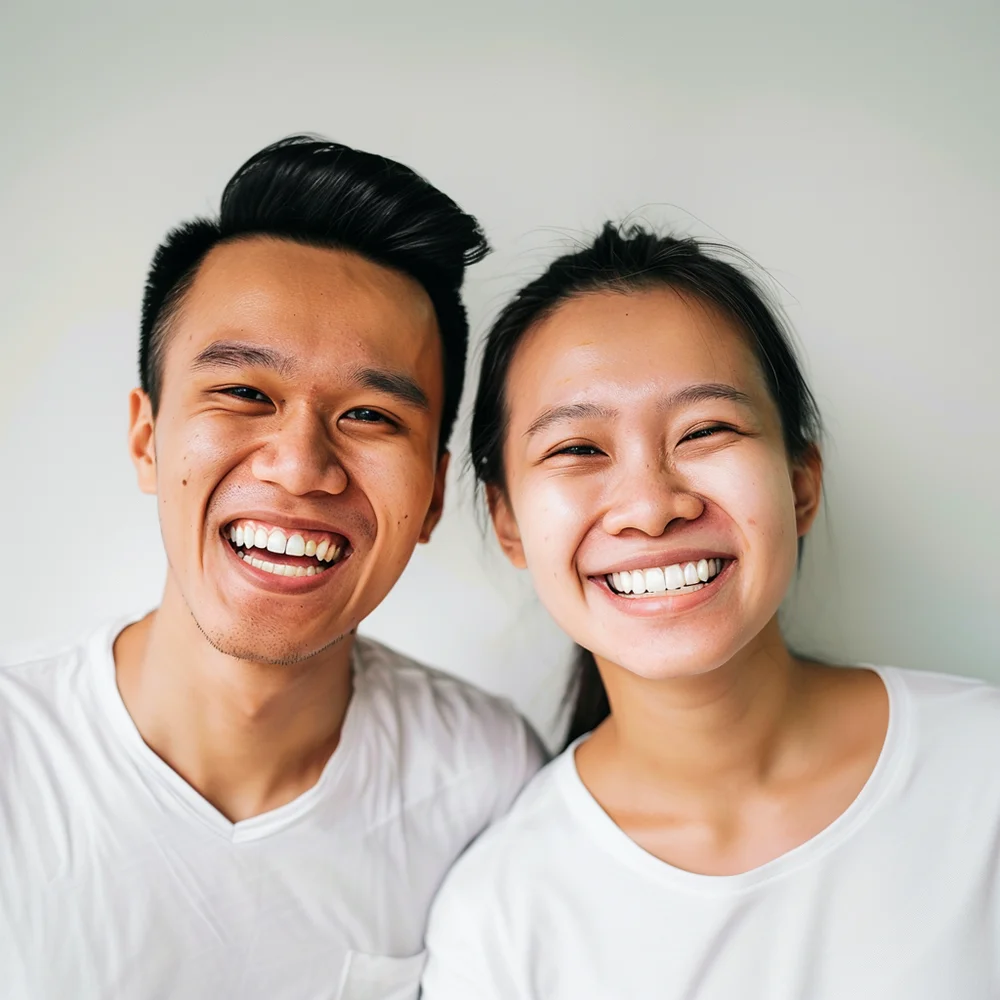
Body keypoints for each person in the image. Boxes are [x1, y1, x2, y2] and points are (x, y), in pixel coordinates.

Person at [0, 136, 544, 1000]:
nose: (300, 467)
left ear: (435, 495)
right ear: (147, 438)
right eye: (246, 394)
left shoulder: (487, 782)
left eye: (370, 415)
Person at [421, 223, 1000, 999]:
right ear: (509, 522)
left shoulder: (983, 773)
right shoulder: (499, 914)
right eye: (578, 449)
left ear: (800, 484)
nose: (652, 508)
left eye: (706, 430)